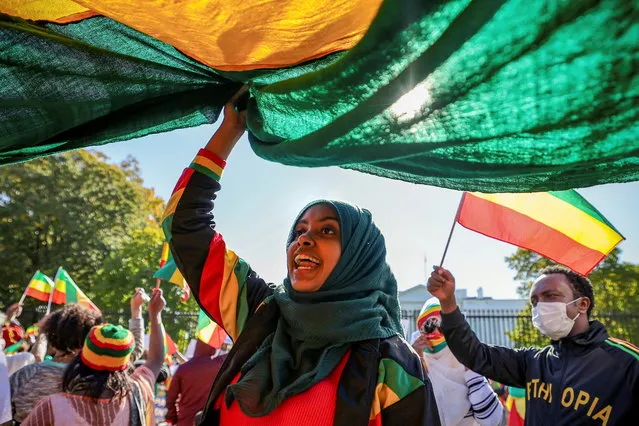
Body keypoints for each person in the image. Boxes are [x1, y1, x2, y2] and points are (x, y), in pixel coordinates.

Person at [164, 101, 440, 425]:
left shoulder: (391, 364)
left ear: (358, 256)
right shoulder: (259, 313)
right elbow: (184, 227)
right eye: (298, 230)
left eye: (327, 230)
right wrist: (229, 131)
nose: (304, 239)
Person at [428, 264, 639, 425]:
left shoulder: (627, 363)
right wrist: (447, 302)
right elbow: (474, 353)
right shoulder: (533, 362)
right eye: (535, 301)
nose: (540, 306)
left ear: (582, 304)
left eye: (550, 296)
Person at [22, 288, 167, 426]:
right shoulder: (138, 392)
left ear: (83, 356)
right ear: (126, 364)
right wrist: (154, 314)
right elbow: (156, 359)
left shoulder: (52, 407)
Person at [411, 298, 503, 426]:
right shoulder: (419, 364)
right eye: (430, 327)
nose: (436, 332)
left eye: (442, 327)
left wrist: (471, 369)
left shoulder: (467, 361)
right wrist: (414, 361)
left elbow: (491, 418)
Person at [166, 340, 227, 426]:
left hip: (186, 421)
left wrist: (173, 418)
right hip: (210, 421)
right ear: (212, 348)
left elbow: (170, 399)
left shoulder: (183, 369)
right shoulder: (219, 366)